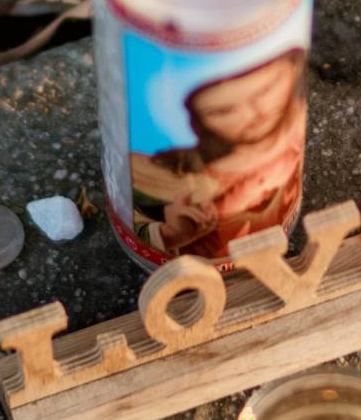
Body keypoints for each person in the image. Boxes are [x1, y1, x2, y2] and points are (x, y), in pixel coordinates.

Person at [127, 45, 308, 263]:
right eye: (223, 111)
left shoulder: (291, 140)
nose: (254, 114)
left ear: (291, 70)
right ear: (198, 121)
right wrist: (171, 234)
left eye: (264, 91)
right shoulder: (170, 179)